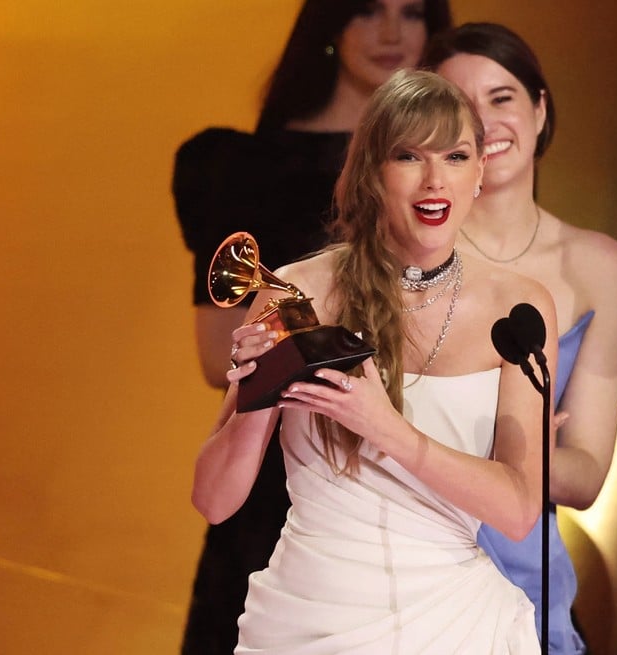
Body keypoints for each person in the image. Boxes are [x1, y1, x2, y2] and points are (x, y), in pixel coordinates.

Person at [192, 69, 553, 653]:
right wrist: (259, 394)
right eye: (408, 156)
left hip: (454, 625)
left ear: (480, 172)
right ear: (371, 172)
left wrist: (387, 429)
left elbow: (518, 512)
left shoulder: (518, 307)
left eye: (456, 156)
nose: (434, 179)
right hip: (307, 622)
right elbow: (213, 501)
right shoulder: (296, 291)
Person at [171, 2, 453, 652]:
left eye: (412, 12)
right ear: (329, 25)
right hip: (282, 471)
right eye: (367, 10)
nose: (391, 32)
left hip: (415, 481)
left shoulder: (452, 172)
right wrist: (302, 332)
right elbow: (217, 354)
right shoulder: (242, 167)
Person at [423, 22, 617, 653]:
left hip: (524, 572)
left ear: (540, 109)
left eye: (502, 97)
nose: (484, 122)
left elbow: (585, 476)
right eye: (460, 105)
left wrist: (473, 437)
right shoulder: (403, 252)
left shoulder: (598, 265)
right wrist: (513, 439)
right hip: (412, 553)